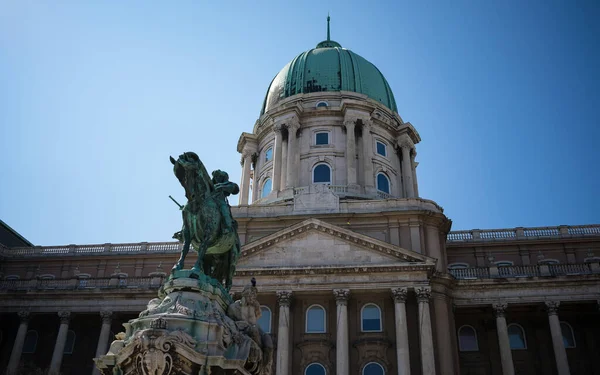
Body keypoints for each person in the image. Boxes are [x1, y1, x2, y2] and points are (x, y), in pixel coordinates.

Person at [211, 170, 239, 234]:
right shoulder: (210, 184)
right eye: (216, 177)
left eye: (219, 176)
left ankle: (228, 228)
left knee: (224, 211)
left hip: (220, 202)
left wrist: (223, 187)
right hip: (209, 201)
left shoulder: (228, 184)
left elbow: (235, 189)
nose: (217, 178)